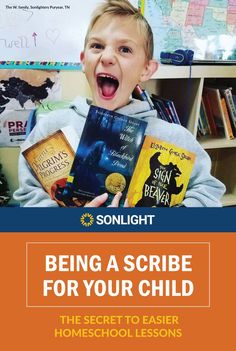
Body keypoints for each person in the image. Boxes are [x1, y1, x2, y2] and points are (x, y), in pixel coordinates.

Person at [14, 0, 225, 207]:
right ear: (83, 60)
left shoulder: (174, 138)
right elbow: (29, 192)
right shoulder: (51, 127)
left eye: (124, 49)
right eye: (97, 46)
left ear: (146, 69)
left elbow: (207, 191)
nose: (107, 57)